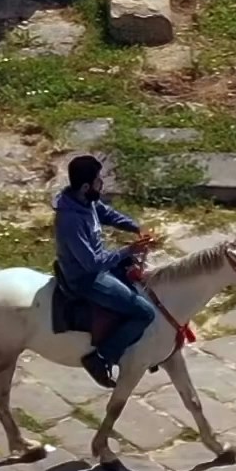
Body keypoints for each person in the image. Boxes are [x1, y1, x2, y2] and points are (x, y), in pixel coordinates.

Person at [53, 153, 158, 385]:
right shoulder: (70, 220)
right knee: (145, 312)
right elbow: (92, 263)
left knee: (145, 282)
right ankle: (102, 357)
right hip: (86, 279)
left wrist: (136, 227)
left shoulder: (84, 200)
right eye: (99, 180)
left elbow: (106, 213)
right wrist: (129, 250)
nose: (103, 184)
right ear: (86, 186)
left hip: (98, 266)